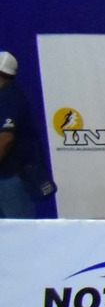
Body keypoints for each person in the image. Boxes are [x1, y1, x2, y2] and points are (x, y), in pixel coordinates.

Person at [0, 51, 52, 218]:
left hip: (11, 179)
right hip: (5, 178)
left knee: (19, 233)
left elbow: (5, 140)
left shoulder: (9, 98)